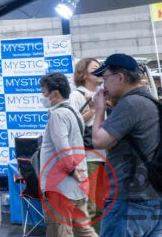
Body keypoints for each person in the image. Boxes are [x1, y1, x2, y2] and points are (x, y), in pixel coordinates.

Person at [92, 53, 162, 237]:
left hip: (127, 201)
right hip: (152, 198)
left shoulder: (130, 104)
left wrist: (99, 109)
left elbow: (98, 141)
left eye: (105, 78)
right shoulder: (149, 100)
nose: (103, 85)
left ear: (120, 77)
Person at [39, 72, 97, 237]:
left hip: (60, 186)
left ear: (54, 93)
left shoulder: (58, 115)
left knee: (60, 231)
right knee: (82, 230)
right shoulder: (73, 111)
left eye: (44, 91)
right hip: (76, 184)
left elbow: (62, 147)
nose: (42, 96)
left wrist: (72, 170)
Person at [73, 58, 105, 232]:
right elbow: (72, 123)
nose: (99, 71)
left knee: (100, 204)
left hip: (105, 156)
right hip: (88, 158)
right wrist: (93, 109)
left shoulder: (103, 93)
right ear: (83, 73)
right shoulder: (77, 95)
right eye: (94, 68)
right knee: (90, 206)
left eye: (100, 68)